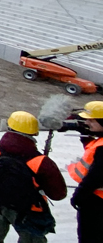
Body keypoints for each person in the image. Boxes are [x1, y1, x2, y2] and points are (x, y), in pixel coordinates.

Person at [0, 110, 66, 243]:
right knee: (31, 239)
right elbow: (58, 194)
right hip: (28, 209)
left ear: (9, 127)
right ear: (33, 133)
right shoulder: (40, 161)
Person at [68, 101, 103, 242]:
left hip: (96, 201)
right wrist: (84, 134)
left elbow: (96, 177)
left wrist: (79, 196)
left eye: (91, 120)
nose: (87, 122)